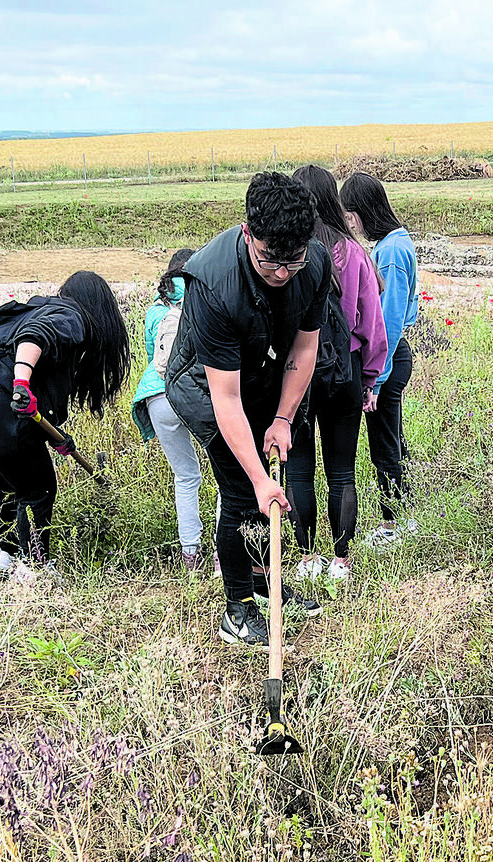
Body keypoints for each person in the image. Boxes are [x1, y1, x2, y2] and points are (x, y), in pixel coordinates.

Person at [164, 172, 332, 649]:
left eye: (291, 261)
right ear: (246, 232)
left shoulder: (314, 264)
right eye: (269, 261)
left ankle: (268, 584)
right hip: (204, 385)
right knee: (244, 487)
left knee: (268, 478)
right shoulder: (212, 282)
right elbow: (225, 398)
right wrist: (260, 478)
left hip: (260, 373)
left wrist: (282, 419)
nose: (281, 272)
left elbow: (303, 349)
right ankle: (237, 608)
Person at [0, 270, 130, 575]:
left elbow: (32, 406)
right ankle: (33, 565)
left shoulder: (45, 308)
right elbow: (34, 336)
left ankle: (5, 557)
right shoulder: (71, 315)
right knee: (39, 488)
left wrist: (56, 435)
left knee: (8, 483)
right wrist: (21, 381)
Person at [286, 165, 388, 582]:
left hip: (296, 372)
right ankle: (341, 561)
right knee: (342, 471)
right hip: (344, 370)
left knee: (299, 467)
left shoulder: (289, 252)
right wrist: (371, 378)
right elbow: (372, 325)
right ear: (332, 199)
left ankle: (307, 557)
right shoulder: (355, 252)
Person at [339, 172, 419, 547]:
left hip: (387, 359)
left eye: (350, 214)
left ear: (361, 212)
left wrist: (376, 379)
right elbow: (406, 311)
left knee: (384, 445)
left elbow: (385, 320)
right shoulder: (397, 243)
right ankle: (403, 517)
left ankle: (395, 525)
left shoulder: (388, 252)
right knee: (393, 440)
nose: (349, 222)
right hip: (394, 354)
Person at [130, 248, 208, 570]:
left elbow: (153, 359)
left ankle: (190, 555)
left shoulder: (155, 311)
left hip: (156, 397)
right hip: (195, 393)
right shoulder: (204, 297)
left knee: (185, 477)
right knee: (225, 475)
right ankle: (223, 553)